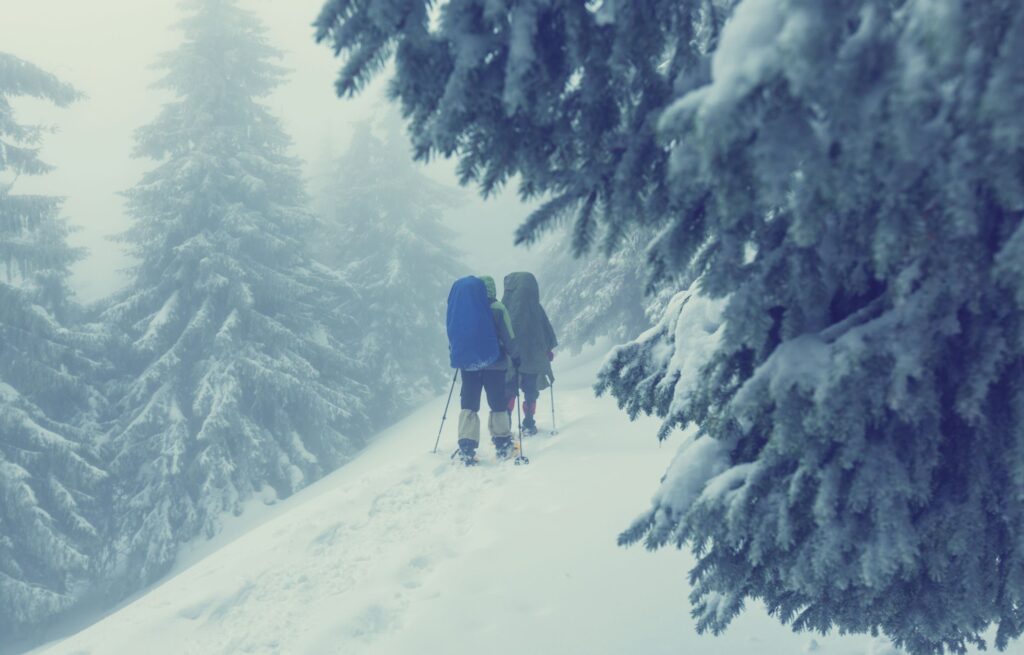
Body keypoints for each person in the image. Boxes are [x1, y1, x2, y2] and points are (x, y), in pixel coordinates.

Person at [446, 275, 520, 465]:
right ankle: (503, 443)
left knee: (469, 404)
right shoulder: (497, 308)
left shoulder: (464, 309)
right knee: (497, 403)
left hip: (469, 365)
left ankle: (467, 447)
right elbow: (508, 335)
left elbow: (454, 336)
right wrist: (516, 356)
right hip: (495, 364)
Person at [502, 272, 557, 436]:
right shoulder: (537, 309)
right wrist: (547, 351)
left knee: (509, 390)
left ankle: (507, 422)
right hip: (532, 359)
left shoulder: (504, 306)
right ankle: (529, 422)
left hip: (510, 358)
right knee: (530, 390)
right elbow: (547, 334)